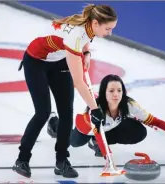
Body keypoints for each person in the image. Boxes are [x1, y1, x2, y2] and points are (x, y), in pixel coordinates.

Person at [12, 4, 117, 178]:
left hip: (58, 61)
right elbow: (79, 82)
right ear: (96, 23)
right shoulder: (76, 35)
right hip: (36, 62)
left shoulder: (89, 26)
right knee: (42, 112)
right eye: (108, 29)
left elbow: (85, 41)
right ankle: (22, 160)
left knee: (66, 113)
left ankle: (61, 162)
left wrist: (87, 54)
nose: (110, 33)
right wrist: (95, 109)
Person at [47, 74, 165, 157]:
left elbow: (154, 121)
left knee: (139, 132)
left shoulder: (129, 105)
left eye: (119, 90)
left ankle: (96, 144)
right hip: (87, 126)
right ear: (104, 92)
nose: (116, 94)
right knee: (74, 142)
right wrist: (108, 156)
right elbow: (97, 132)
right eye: (111, 91)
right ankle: (54, 123)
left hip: (109, 128)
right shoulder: (96, 109)